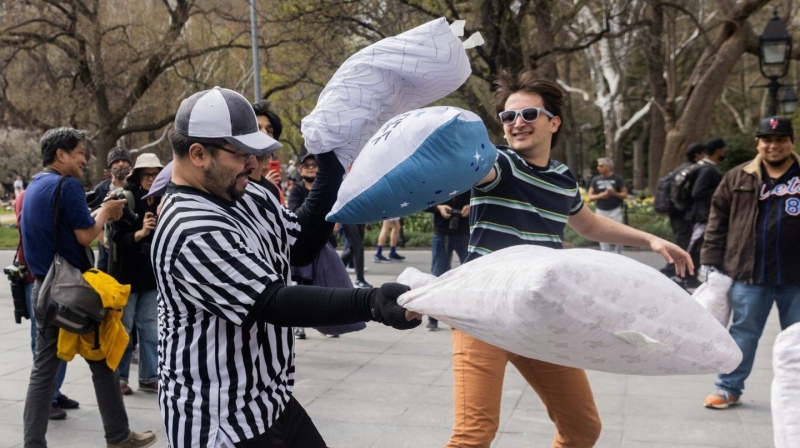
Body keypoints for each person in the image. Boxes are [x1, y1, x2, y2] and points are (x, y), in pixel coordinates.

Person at [151, 86, 420, 447]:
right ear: (198, 154)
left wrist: (331, 160)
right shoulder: (189, 227)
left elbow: (304, 243)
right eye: (241, 153)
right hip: (221, 421)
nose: (252, 163)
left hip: (270, 399)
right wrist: (369, 302)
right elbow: (273, 303)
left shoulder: (248, 193)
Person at [446, 71, 693, 448]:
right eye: (508, 117)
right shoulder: (499, 164)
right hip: (483, 311)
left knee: (582, 429)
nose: (517, 124)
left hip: (539, 316)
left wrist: (651, 240)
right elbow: (477, 167)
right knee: (473, 436)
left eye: (529, 114)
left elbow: (590, 224)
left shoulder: (562, 178)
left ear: (553, 122)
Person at [21, 127, 156, 448]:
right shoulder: (67, 185)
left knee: (59, 368)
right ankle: (118, 436)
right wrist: (107, 212)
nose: (85, 159)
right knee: (102, 357)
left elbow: (65, 231)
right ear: (61, 155)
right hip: (73, 292)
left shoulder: (37, 185)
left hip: (45, 289)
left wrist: (96, 212)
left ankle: (41, 442)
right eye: (81, 153)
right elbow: (84, 235)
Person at [700, 116, 800, 410]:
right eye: (767, 140)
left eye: (781, 139)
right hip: (748, 272)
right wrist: (710, 260)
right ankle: (728, 388)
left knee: (798, 337)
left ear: (791, 142)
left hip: (796, 276)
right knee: (743, 333)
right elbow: (716, 222)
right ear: (757, 142)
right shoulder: (737, 176)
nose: (774, 146)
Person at [14, 189, 80, 421]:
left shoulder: (38, 193)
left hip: (54, 278)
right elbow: (29, 231)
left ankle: (55, 391)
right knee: (42, 344)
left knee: (59, 339)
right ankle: (47, 399)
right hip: (38, 278)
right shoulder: (28, 196)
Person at [108, 152, 163, 395]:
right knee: (125, 330)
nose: (151, 179)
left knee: (150, 330)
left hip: (151, 276)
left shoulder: (164, 200)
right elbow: (117, 238)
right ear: (138, 177)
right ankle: (119, 377)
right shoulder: (126, 199)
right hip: (126, 277)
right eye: (146, 174)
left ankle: (149, 376)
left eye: (155, 174)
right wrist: (140, 233)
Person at [425, 190, 470, 331]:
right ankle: (433, 318)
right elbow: (421, 201)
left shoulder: (471, 175)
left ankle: (461, 318)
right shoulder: (438, 176)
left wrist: (472, 206)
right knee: (438, 275)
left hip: (465, 232)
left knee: (470, 276)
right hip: (442, 232)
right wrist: (438, 207)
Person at [683, 137, 725, 287]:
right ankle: (686, 274)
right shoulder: (708, 170)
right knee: (694, 245)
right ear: (718, 150)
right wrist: (719, 191)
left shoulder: (703, 167)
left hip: (703, 214)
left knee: (698, 244)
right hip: (703, 215)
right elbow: (697, 192)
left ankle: (689, 274)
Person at [659, 142, 704, 277]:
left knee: (682, 240)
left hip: (675, 210)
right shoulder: (693, 170)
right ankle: (671, 269)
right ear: (697, 155)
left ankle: (682, 272)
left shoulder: (681, 168)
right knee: (683, 241)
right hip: (682, 212)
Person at [88, 147, 133, 272]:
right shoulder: (101, 190)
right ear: (110, 166)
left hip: (131, 253)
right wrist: (106, 243)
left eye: (124, 160)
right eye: (116, 161)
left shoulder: (134, 187)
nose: (120, 164)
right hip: (106, 257)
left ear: (130, 165)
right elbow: (93, 218)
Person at [587, 157, 628, 253]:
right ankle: (605, 253)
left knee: (619, 232)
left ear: (608, 167)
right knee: (601, 232)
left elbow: (624, 194)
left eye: (601, 166)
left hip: (615, 209)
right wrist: (601, 195)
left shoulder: (617, 179)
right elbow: (590, 196)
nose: (598, 168)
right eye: (598, 165)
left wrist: (614, 193)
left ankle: (618, 253)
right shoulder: (595, 180)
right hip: (601, 210)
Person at [250, 99, 285, 203]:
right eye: (257, 128)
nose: (264, 134)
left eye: (269, 130)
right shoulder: (233, 186)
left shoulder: (273, 190)